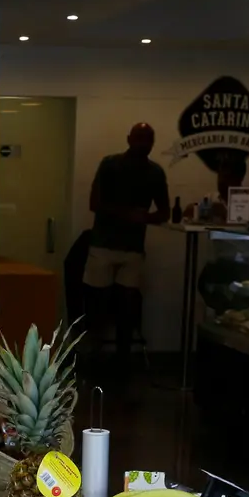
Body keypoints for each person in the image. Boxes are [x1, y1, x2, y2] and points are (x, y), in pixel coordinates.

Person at [83, 122, 170, 363]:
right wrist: (135, 215)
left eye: (147, 138)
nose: (143, 142)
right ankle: (101, 357)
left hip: (124, 247)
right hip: (109, 245)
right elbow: (94, 202)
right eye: (140, 137)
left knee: (122, 307)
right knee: (102, 306)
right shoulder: (113, 165)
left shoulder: (150, 171)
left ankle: (115, 358)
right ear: (129, 138)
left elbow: (164, 212)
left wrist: (141, 216)